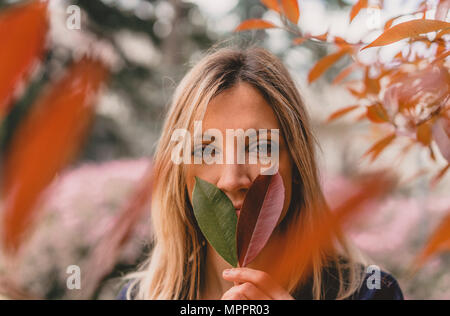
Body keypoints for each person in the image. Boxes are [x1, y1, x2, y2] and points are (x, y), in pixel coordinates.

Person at [117, 45, 404, 300]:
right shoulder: (137, 297)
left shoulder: (371, 292)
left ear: (296, 165)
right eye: (206, 150)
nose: (232, 179)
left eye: (260, 146)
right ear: (178, 174)